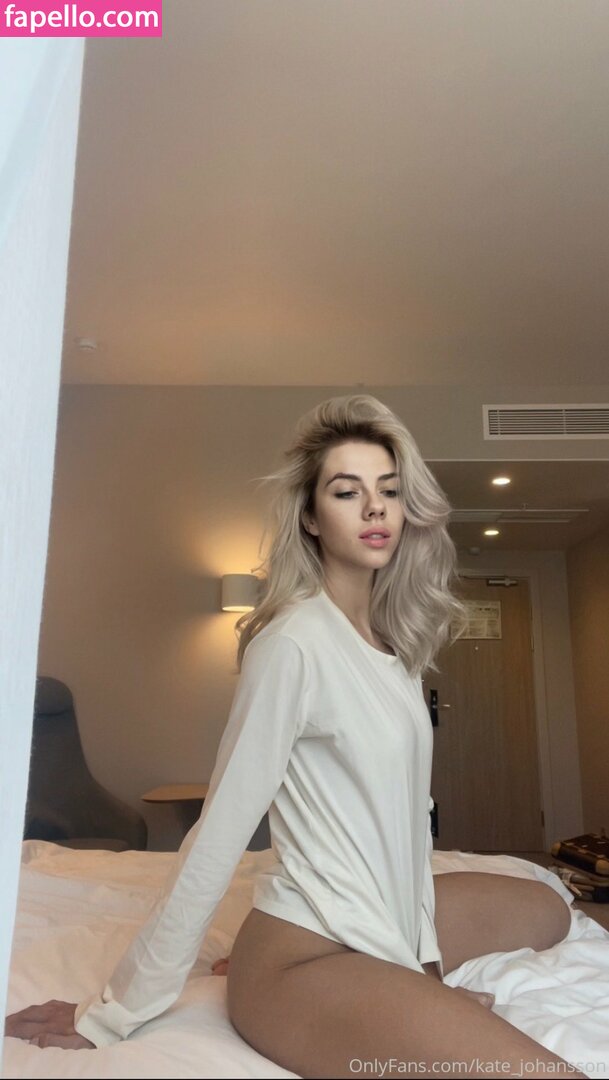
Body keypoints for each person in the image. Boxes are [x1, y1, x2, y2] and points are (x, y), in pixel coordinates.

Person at [6, 395, 582, 1077]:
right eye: (347, 491)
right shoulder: (293, 644)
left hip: (387, 922)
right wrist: (112, 1010)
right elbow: (218, 834)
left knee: (547, 907)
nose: (374, 509)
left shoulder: (392, 648)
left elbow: (401, 826)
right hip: (306, 956)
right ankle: (275, 975)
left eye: (389, 491)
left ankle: (387, 975)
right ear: (310, 516)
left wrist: (421, 967)